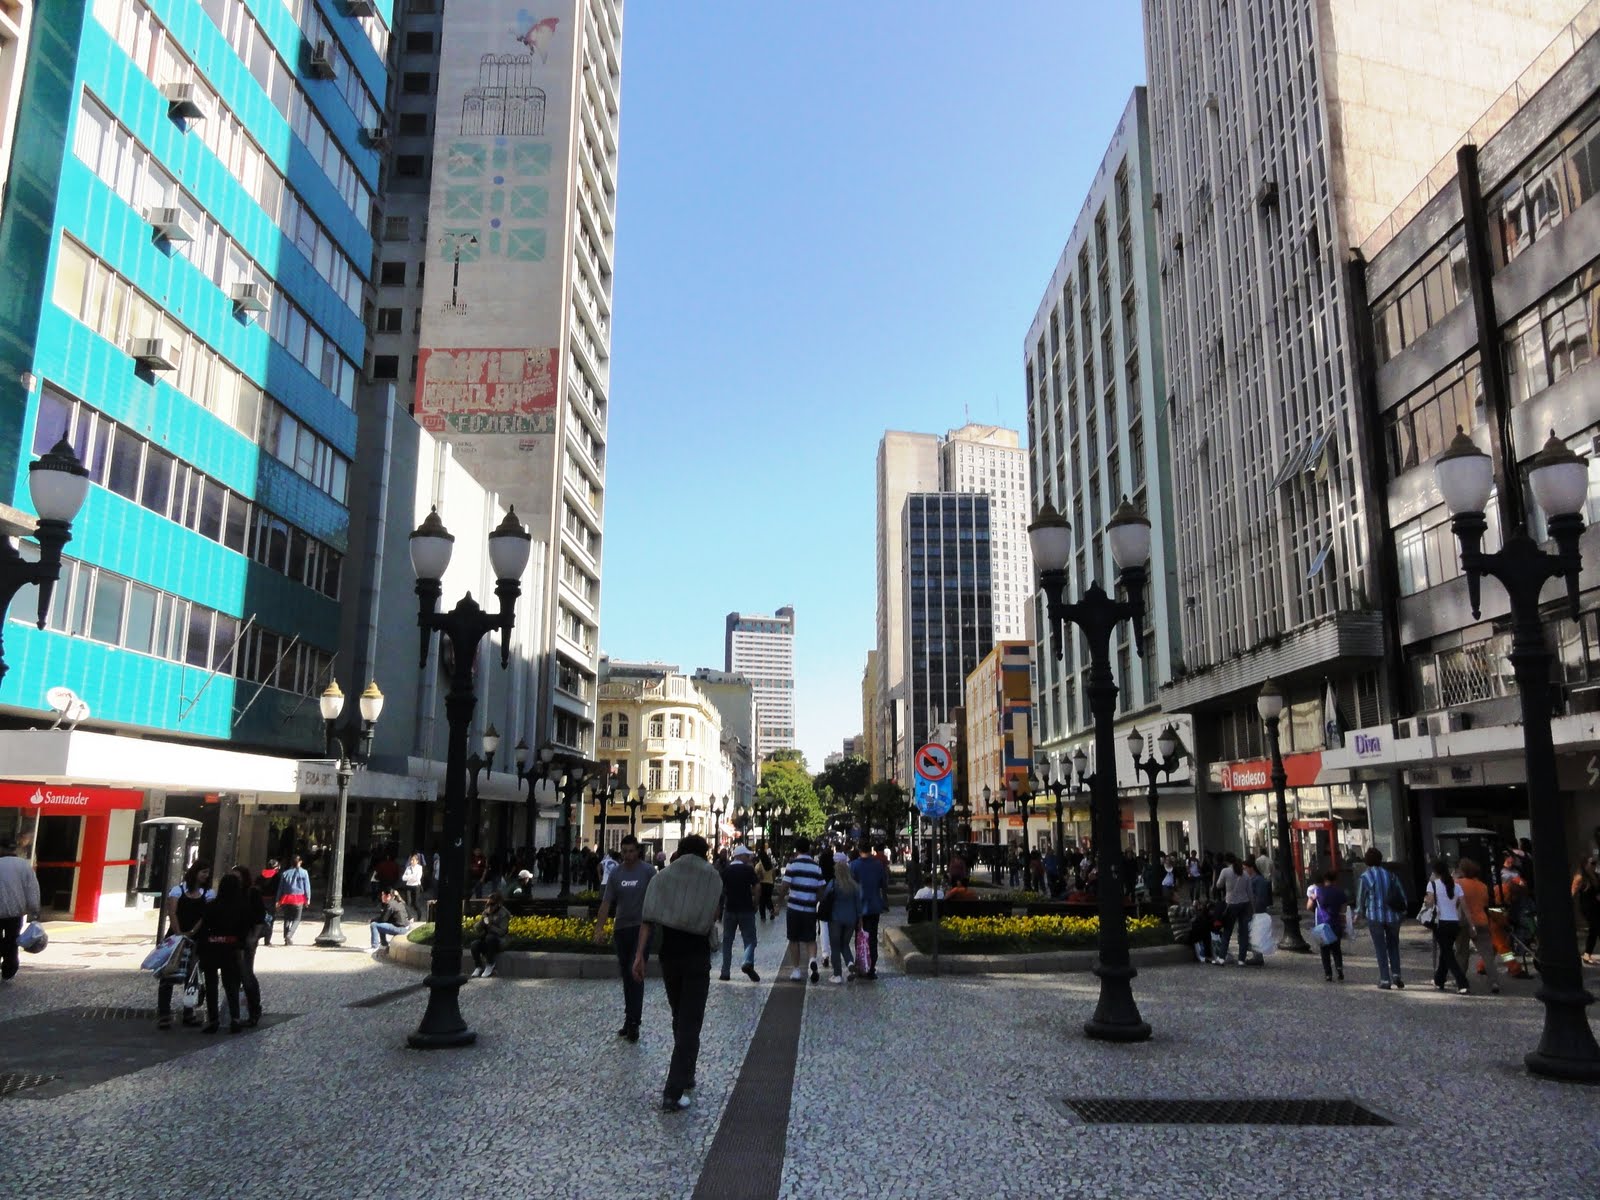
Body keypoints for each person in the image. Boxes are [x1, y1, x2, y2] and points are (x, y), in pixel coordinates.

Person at [634, 835, 723, 1112]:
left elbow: (647, 918)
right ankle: (673, 1091)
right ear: (704, 852)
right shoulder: (713, 877)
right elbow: (714, 915)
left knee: (679, 1014)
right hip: (696, 954)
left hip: (669, 954)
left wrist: (639, 956)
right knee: (691, 1020)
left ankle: (687, 1072)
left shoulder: (663, 877)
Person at [593, 835, 655, 1040]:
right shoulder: (616, 873)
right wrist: (599, 929)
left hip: (641, 930)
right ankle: (629, 1018)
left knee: (635, 973)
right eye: (624, 851)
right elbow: (606, 903)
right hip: (621, 930)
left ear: (638, 851)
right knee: (626, 976)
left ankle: (635, 1021)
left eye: (631, 851)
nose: (627, 855)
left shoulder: (648, 872)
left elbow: (656, 899)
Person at [158, 863, 211, 1030]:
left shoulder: (207, 893)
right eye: (203, 871)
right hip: (175, 938)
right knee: (168, 974)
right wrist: (179, 932)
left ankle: (189, 1012)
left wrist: (193, 931)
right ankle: (164, 1014)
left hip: (196, 939)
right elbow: (172, 912)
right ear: (195, 872)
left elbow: (206, 915)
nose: (205, 876)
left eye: (207, 873)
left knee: (192, 976)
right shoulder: (178, 890)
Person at [197, 873, 249, 1034]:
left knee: (211, 985)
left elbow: (204, 928)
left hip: (212, 947)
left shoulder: (212, 906)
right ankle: (235, 1018)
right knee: (231, 984)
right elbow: (244, 930)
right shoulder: (241, 907)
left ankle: (213, 1020)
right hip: (231, 948)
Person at [1355, 847, 1407, 990]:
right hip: (1393, 916)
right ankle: (1396, 974)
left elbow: (1361, 898)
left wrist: (1358, 914)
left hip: (1375, 916)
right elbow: (1401, 894)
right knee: (1393, 945)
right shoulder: (1390, 875)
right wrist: (1403, 911)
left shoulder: (1365, 877)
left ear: (1367, 861)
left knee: (1380, 947)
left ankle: (1385, 979)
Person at [1421, 858, 1470, 995]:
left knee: (1448, 954)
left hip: (1440, 923)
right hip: (1454, 923)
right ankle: (1439, 979)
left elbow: (1430, 902)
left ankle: (1462, 982)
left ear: (1435, 872)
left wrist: (1426, 899)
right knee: (1445, 951)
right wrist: (1471, 925)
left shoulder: (1432, 885)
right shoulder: (1456, 886)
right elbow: (1464, 907)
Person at [778, 847, 826, 983]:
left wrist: (778, 903)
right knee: (811, 939)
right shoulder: (816, 867)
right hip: (810, 909)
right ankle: (811, 960)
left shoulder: (793, 866)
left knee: (794, 939)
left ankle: (796, 970)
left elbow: (785, 885)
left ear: (797, 850)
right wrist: (815, 900)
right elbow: (821, 890)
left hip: (794, 908)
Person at [1454, 858, 1500, 994]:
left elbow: (1455, 902)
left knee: (1462, 953)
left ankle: (1462, 983)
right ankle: (1494, 982)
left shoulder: (1458, 884)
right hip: (1481, 921)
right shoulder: (1482, 886)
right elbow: (1485, 904)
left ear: (1462, 870)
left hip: (1463, 922)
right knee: (1487, 954)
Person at [0, 836, 41, 982]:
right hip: (15, 912)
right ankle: (9, 968)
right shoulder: (23, 866)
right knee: (12, 939)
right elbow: (32, 889)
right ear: (14, 849)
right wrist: (35, 910)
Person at [718, 845, 760, 982]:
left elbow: (720, 889)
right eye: (747, 856)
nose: (748, 858)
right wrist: (756, 902)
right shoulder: (748, 870)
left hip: (729, 909)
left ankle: (725, 972)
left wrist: (719, 906)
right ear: (740, 856)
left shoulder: (727, 870)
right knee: (750, 939)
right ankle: (747, 962)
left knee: (727, 941)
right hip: (746, 909)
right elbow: (757, 886)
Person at [230, 865, 265, 1026]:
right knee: (234, 976)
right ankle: (235, 1012)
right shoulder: (231, 894)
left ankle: (254, 1010)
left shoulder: (252, 893)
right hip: (232, 939)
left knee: (246, 974)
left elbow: (260, 917)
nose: (235, 880)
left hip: (247, 939)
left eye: (238, 877)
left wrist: (253, 937)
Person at [849, 844, 889, 979]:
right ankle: (871, 968)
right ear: (870, 850)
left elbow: (850, 887)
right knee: (872, 937)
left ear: (859, 851)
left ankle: (861, 966)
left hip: (859, 907)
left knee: (860, 937)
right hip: (874, 906)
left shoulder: (853, 865)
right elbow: (884, 884)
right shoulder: (878, 865)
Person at [823, 858, 865, 983]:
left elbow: (825, 896)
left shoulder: (833, 884)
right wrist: (860, 919)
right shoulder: (854, 886)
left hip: (835, 919)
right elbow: (859, 905)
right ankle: (850, 964)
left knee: (835, 946)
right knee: (845, 944)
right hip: (851, 920)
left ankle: (837, 975)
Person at [1306, 869, 1348, 982]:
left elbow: (1309, 906)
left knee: (1324, 950)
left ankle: (1328, 974)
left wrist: (1316, 908)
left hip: (1322, 924)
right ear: (1335, 880)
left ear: (1324, 880)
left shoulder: (1318, 891)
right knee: (1336, 949)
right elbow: (1343, 909)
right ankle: (1339, 969)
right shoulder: (1340, 892)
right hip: (1335, 923)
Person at [1213, 853, 1252, 965]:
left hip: (1231, 903)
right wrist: (1252, 907)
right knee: (1243, 932)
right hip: (1244, 903)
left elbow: (1218, 885)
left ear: (1226, 861)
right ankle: (1241, 959)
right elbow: (1250, 893)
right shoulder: (1245, 874)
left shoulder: (1225, 871)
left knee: (1227, 931)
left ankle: (1221, 958)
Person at [470, 891, 509, 978]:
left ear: (498, 904)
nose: (490, 907)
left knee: (490, 938)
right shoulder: (487, 911)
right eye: (488, 904)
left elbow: (502, 932)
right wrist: (482, 921)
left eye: (492, 904)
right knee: (474, 944)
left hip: (499, 941)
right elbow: (476, 928)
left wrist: (490, 926)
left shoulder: (503, 914)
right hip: (487, 940)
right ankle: (478, 966)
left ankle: (490, 964)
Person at [274, 855, 311, 945]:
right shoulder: (304, 872)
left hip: (286, 898)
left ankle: (285, 937)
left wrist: (278, 900)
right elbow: (307, 887)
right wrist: (308, 899)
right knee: (297, 919)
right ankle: (289, 935)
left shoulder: (285, 873)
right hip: (298, 898)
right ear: (300, 862)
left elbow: (280, 888)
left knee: (287, 918)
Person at [1572, 855, 1600, 966]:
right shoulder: (1580, 877)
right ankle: (1587, 954)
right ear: (1585, 865)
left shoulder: (1597, 876)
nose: (1594, 866)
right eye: (1592, 863)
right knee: (1597, 928)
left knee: (1594, 931)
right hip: (1587, 908)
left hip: (1597, 906)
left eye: (1595, 863)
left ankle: (1587, 954)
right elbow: (1572, 893)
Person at [370, 886, 412, 954]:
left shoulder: (390, 904)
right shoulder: (398, 901)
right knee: (380, 925)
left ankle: (375, 946)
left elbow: (383, 919)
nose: (381, 897)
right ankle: (383, 944)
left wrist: (372, 920)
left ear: (388, 895)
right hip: (405, 927)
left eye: (383, 895)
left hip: (401, 928)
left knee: (374, 925)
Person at [257, 859, 281, 945]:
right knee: (270, 919)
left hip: (261, 899)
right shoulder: (277, 876)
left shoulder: (260, 875)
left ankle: (257, 936)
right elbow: (279, 889)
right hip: (271, 900)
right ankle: (267, 940)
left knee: (259, 918)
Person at [755, 849, 777, 922]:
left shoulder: (759, 865)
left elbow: (756, 876)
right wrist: (773, 881)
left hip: (762, 884)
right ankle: (771, 911)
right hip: (770, 884)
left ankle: (763, 916)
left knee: (762, 901)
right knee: (768, 898)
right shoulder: (770, 864)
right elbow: (774, 873)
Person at [401, 853, 424, 918]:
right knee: (408, 902)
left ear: (417, 861)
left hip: (416, 886)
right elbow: (403, 878)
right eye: (411, 860)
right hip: (408, 886)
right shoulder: (408, 868)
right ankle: (409, 917)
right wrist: (412, 876)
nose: (411, 861)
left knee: (416, 904)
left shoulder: (419, 868)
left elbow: (418, 878)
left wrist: (409, 877)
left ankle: (419, 915)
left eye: (413, 860)